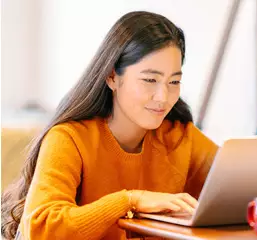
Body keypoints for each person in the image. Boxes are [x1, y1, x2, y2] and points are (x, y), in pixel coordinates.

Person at [1, 11, 219, 240]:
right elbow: (40, 230)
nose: (163, 97)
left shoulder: (180, 137)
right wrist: (130, 200)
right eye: (150, 80)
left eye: (174, 82)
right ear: (112, 77)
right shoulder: (69, 138)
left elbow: (239, 185)